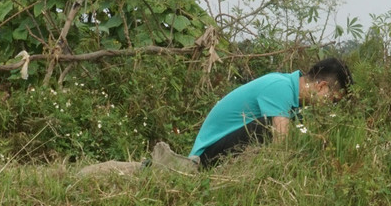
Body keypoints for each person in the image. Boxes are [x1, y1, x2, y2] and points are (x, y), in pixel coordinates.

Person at [142, 56, 353, 173]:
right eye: (332, 100)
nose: (329, 107)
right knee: (269, 126)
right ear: (322, 86)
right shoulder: (280, 87)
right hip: (206, 157)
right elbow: (283, 147)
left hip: (222, 150)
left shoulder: (293, 100)